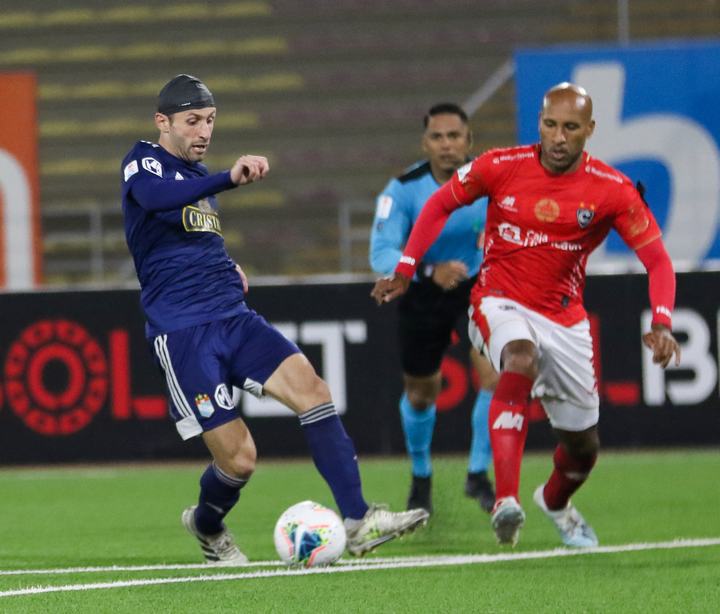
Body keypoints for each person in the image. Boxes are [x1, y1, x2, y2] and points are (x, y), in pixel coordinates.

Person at [121, 74, 428, 564]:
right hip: (183, 333)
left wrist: (227, 265)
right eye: (192, 121)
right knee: (240, 460)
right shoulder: (144, 161)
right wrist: (228, 178)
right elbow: (155, 199)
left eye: (210, 120)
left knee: (313, 390)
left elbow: (192, 240)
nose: (204, 131)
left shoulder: (199, 181)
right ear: (163, 122)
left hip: (234, 317)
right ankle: (206, 524)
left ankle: (358, 520)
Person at [371, 83, 681, 548]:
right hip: (498, 298)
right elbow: (439, 204)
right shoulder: (500, 166)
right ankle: (505, 500)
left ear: (590, 130)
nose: (558, 137)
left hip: (564, 318)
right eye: (550, 125)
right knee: (518, 358)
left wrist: (661, 322)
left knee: (582, 450)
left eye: (570, 127)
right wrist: (406, 268)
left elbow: (657, 259)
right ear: (540, 122)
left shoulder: (612, 190)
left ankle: (555, 501)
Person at [369, 103, 496, 514]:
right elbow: (380, 251)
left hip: (476, 286)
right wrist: (427, 270)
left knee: (495, 375)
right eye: (437, 137)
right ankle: (421, 475)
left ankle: (478, 473)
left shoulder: (490, 182)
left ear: (469, 141)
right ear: (425, 144)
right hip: (422, 290)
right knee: (421, 394)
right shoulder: (403, 190)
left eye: (454, 136)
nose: (446, 145)